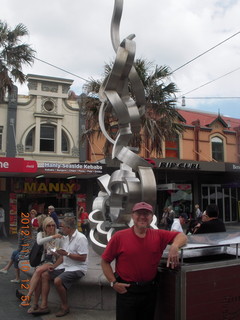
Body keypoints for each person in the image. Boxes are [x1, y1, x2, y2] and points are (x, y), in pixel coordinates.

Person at [101, 201, 187, 320]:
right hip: (127, 291)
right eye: (139, 213)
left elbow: (182, 236)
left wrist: (174, 246)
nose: (142, 217)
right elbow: (105, 261)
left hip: (149, 291)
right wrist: (113, 283)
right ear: (133, 216)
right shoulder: (119, 237)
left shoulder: (158, 235)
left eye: (146, 214)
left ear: (152, 217)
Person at [31, 216, 88, 317]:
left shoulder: (81, 238)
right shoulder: (66, 238)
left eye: (63, 227)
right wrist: (54, 266)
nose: (60, 229)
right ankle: (44, 306)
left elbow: (83, 258)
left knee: (58, 280)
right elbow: (62, 256)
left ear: (69, 228)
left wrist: (67, 254)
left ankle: (64, 306)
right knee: (45, 275)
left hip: (78, 268)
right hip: (65, 266)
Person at [18, 217, 62, 311]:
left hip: (52, 261)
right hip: (42, 261)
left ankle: (28, 297)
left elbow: (60, 252)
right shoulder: (41, 234)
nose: (51, 227)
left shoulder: (58, 235)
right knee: (38, 278)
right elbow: (39, 242)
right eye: (49, 225)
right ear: (44, 227)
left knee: (38, 271)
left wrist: (55, 252)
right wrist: (52, 237)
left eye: (53, 225)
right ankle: (35, 304)